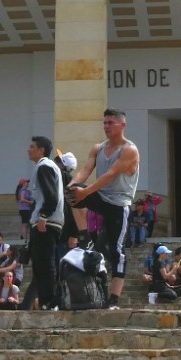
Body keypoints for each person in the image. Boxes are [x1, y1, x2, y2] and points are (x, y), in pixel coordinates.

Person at [68, 108, 140, 310]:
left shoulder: (129, 150)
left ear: (122, 125)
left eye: (110, 123)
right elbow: (85, 169)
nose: (106, 126)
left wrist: (86, 192)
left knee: (117, 250)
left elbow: (110, 175)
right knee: (70, 194)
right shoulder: (98, 148)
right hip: (100, 196)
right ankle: (84, 235)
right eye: (105, 123)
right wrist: (72, 186)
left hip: (118, 204)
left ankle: (114, 298)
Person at [21, 135, 63, 311]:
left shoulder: (44, 166)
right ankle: (45, 301)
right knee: (39, 265)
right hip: (44, 222)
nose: (28, 149)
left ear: (41, 150)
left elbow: (51, 196)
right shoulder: (44, 166)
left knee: (45, 264)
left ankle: (50, 302)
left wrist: (43, 217)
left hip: (46, 223)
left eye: (32, 147)